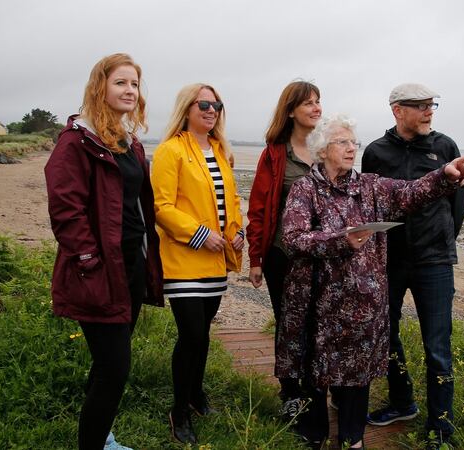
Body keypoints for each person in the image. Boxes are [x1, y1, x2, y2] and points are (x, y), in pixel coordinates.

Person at [276, 114, 464, 449]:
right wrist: (341, 240)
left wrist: (444, 174)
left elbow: (410, 193)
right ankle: (314, 434)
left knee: (357, 371)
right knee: (315, 367)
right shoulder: (305, 189)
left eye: (354, 142)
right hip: (315, 300)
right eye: (343, 142)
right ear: (323, 150)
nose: (352, 148)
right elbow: (294, 238)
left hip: (361, 302)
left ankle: (353, 437)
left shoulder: (368, 187)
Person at [45, 53, 164, 450]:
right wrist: (89, 262)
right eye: (121, 83)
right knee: (115, 368)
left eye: (134, 84)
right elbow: (66, 210)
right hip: (97, 271)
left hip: (130, 265)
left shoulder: (128, 143)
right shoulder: (76, 143)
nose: (130, 90)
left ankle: (101, 437)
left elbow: (136, 206)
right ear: (101, 87)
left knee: (107, 365)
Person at [361, 83, 464, 448]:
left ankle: (441, 427)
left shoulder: (445, 147)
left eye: (431, 105)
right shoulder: (375, 152)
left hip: (434, 261)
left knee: (437, 346)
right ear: (397, 110)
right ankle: (402, 402)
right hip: (387, 260)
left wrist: (442, 239)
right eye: (420, 106)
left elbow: (458, 205)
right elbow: (369, 204)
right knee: (386, 336)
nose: (428, 111)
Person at [150, 83, 244, 444]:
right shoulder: (170, 150)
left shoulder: (221, 151)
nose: (211, 110)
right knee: (190, 335)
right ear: (186, 108)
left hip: (215, 262)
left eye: (217, 104)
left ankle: (195, 394)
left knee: (202, 335)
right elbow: (162, 207)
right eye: (203, 104)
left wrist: (238, 232)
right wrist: (201, 234)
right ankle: (179, 410)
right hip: (183, 259)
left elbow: (230, 202)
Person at [245, 81, 321, 416]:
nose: (316, 108)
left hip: (323, 257)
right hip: (283, 255)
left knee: (319, 323)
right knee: (289, 324)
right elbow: (259, 207)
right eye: (308, 103)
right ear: (291, 110)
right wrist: (255, 259)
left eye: (318, 102)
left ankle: (316, 388)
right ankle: (291, 393)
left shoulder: (327, 148)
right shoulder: (276, 152)